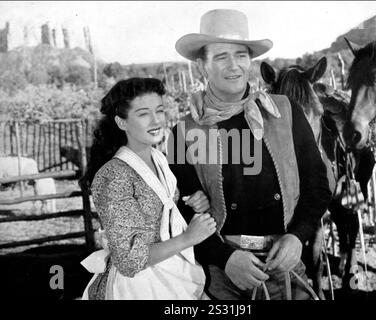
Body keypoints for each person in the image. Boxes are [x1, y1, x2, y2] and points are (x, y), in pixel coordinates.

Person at [167, 9, 332, 300]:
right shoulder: (183, 132)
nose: (234, 66)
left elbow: (317, 184)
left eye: (241, 55)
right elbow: (182, 213)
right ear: (202, 66)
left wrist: (297, 237)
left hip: (287, 268)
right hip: (225, 277)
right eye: (221, 57)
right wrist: (225, 258)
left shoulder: (285, 111)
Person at [79, 77, 215, 300]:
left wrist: (191, 201)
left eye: (159, 111)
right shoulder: (113, 175)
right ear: (122, 123)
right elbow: (128, 260)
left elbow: (159, 212)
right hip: (137, 288)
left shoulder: (158, 158)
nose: (156, 120)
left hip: (169, 275)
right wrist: (188, 238)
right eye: (143, 114)